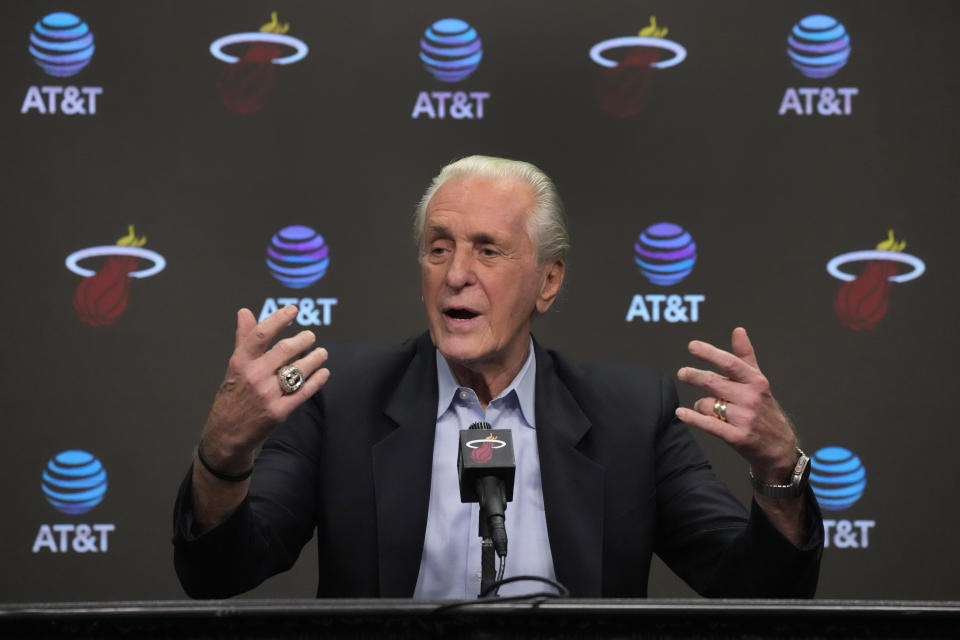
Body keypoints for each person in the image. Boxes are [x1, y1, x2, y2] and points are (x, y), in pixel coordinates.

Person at [173, 156, 822, 599]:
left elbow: (757, 594)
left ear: (548, 280)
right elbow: (222, 571)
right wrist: (223, 455)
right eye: (439, 247)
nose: (457, 273)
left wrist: (778, 473)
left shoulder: (630, 414)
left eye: (487, 250)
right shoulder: (341, 397)